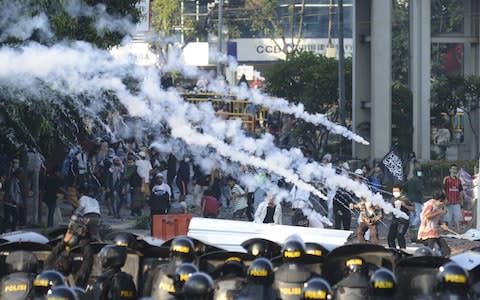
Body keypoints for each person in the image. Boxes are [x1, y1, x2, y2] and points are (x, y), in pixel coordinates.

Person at [417, 191, 451, 256]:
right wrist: (439, 212)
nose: (445, 202)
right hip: (427, 233)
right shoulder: (430, 204)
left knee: (446, 250)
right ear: (440, 200)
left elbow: (435, 219)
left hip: (434, 232)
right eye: (445, 200)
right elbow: (427, 216)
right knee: (429, 251)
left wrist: (442, 224)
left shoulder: (438, 206)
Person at [443, 164, 463, 233]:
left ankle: (458, 230)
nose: (454, 170)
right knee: (447, 217)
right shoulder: (446, 179)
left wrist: (461, 200)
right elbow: (444, 190)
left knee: (458, 216)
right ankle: (445, 230)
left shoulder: (459, 180)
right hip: (448, 201)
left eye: (456, 169)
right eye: (453, 169)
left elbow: (460, 191)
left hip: (456, 202)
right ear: (450, 170)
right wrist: (445, 199)